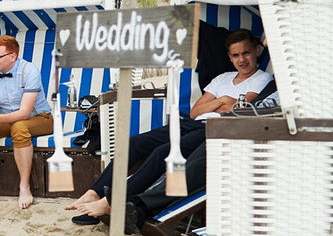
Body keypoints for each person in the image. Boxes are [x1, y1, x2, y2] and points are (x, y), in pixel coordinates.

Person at [66, 31, 275, 225]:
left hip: (215, 128)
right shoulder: (222, 79)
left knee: (162, 153)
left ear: (257, 50)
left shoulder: (263, 80)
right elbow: (195, 111)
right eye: (236, 55)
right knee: (134, 143)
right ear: (229, 57)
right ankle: (94, 192)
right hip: (193, 123)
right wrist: (223, 100)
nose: (242, 59)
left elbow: (236, 110)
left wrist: (218, 103)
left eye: (246, 53)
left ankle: (112, 202)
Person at [0, 32, 50, 207]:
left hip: (39, 117)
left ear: (13, 56)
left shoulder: (29, 70)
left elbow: (24, 112)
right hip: (8, 118)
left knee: (19, 127)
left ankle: (24, 187)